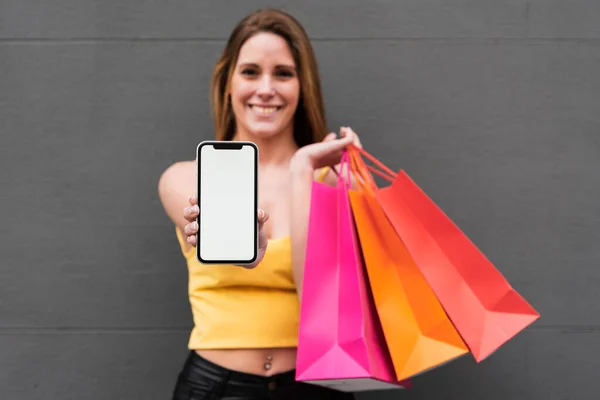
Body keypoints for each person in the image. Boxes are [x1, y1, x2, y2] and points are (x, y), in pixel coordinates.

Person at [158, 8, 361, 400]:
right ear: (228, 82)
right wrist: (249, 244)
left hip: (316, 385)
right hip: (215, 387)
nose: (265, 88)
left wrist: (303, 170)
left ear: (302, 86)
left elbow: (318, 303)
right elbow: (239, 254)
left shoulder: (332, 179)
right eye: (250, 72)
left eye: (282, 73)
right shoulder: (183, 179)